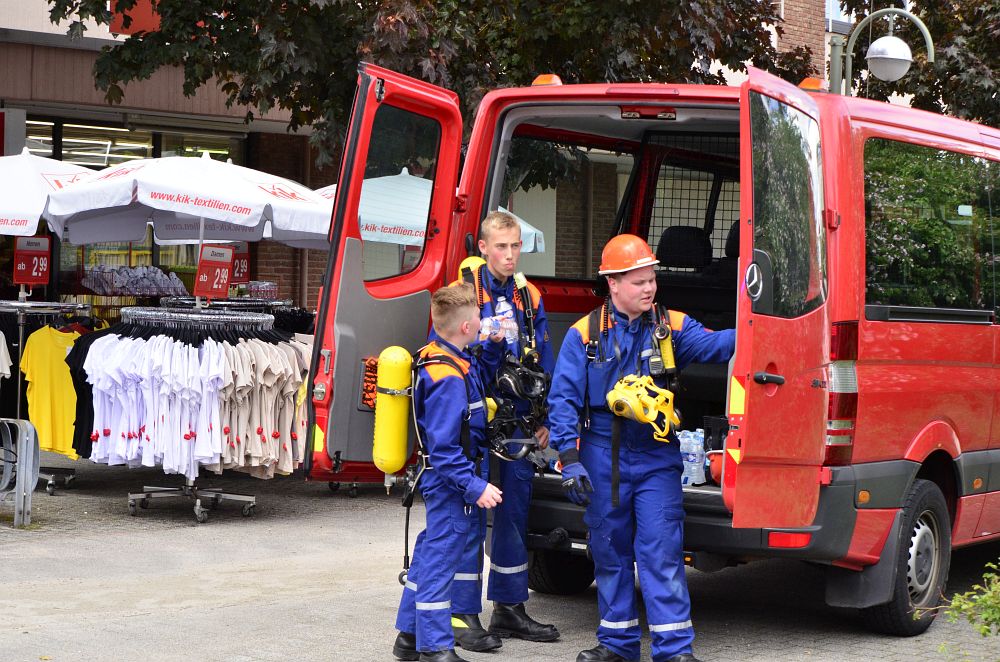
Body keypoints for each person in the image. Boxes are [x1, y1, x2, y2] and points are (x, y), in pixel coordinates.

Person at [547, 234, 735, 662]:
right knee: (609, 550)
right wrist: (570, 460)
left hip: (656, 454)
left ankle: (674, 651)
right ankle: (617, 645)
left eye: (652, 279)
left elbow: (716, 345)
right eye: (639, 282)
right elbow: (563, 401)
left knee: (661, 550)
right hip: (601, 453)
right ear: (613, 284)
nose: (649, 288)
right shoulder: (584, 335)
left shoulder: (671, 326)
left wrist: (761, 329)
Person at [447, 210, 560, 651]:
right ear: (483, 248)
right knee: (469, 515)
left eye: (516, 246)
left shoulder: (529, 296)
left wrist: (544, 417)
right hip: (474, 417)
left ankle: (510, 608)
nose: (510, 255)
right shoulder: (461, 294)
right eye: (501, 246)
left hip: (517, 418)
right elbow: (446, 353)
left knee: (514, 513)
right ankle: (462, 615)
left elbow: (543, 359)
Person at [392, 283, 506, 662]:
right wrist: (475, 487)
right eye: (478, 318)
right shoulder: (448, 378)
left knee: (430, 554)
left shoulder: (445, 358)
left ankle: (409, 637)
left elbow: (477, 376)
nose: (483, 323)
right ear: (466, 327)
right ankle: (435, 647)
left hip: (445, 481)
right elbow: (444, 449)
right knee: (441, 561)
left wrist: (493, 346)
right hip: (451, 483)